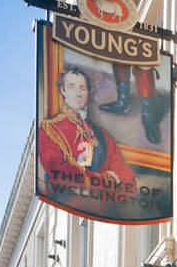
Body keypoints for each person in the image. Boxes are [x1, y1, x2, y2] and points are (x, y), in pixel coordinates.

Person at [38, 66, 136, 199]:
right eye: (72, 87)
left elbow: (128, 181)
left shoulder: (101, 135)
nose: (78, 93)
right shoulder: (49, 130)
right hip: (68, 205)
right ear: (63, 90)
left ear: (88, 93)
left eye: (83, 88)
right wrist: (107, 180)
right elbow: (61, 174)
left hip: (103, 211)